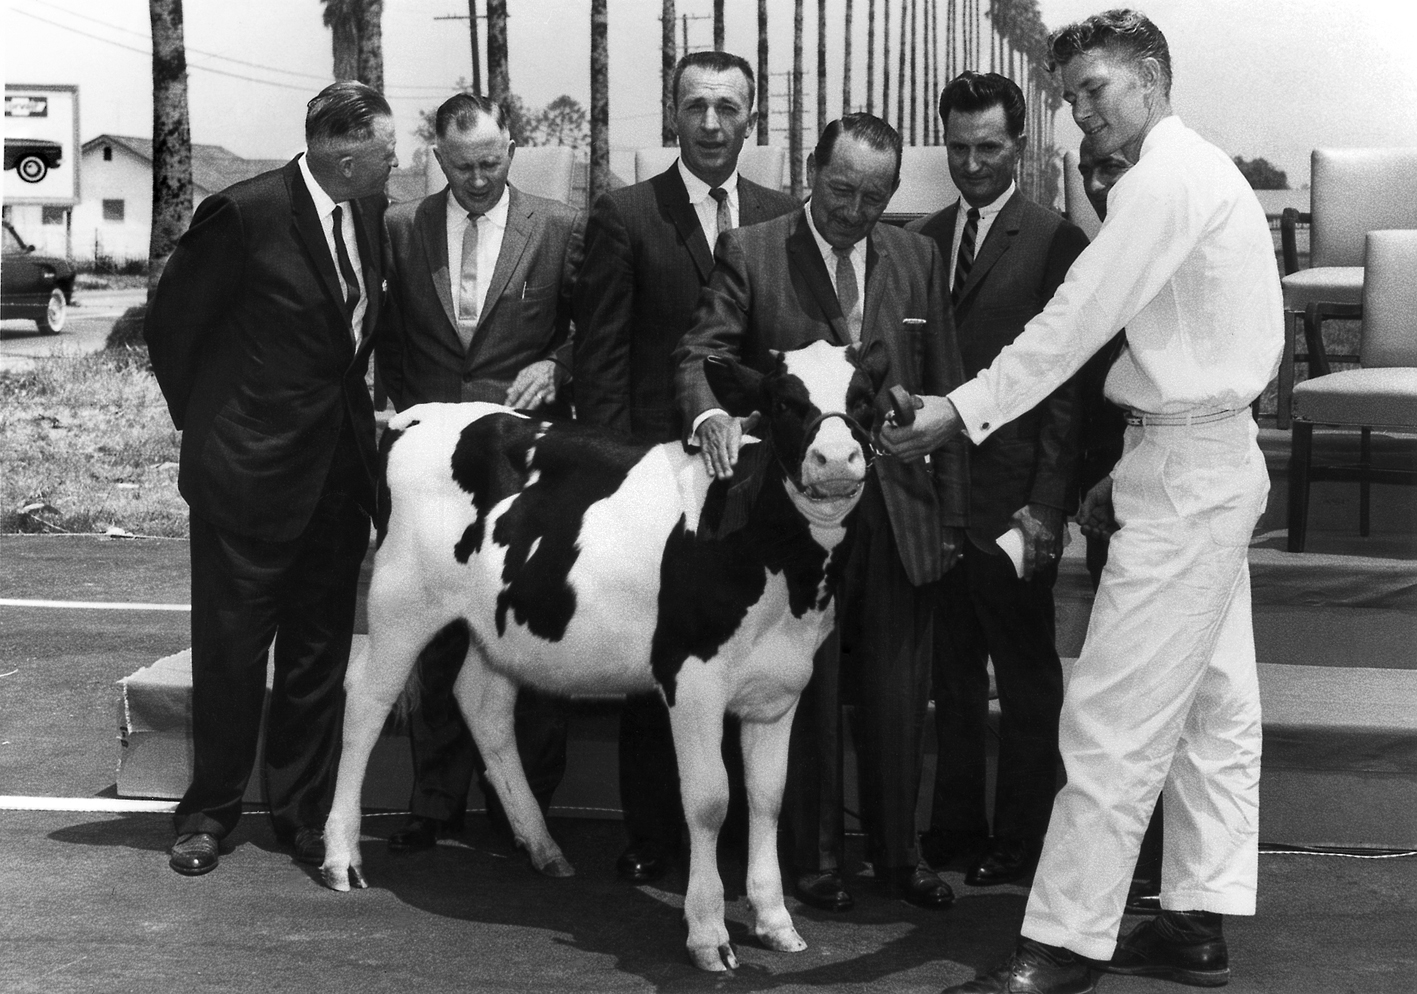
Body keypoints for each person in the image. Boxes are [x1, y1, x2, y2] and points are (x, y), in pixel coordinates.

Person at [880, 11, 1282, 992]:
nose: (1080, 114)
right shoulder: (1189, 173)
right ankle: (1195, 919)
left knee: (1109, 712)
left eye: (1093, 90)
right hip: (1203, 455)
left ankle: (1062, 937)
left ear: (1150, 79)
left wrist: (955, 407)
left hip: (1191, 474)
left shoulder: (1163, 179)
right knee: (1214, 707)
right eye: (1069, 99)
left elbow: (1073, 320)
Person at [673, 112, 967, 910]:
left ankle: (900, 858)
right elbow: (702, 355)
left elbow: (949, 390)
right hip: (791, 523)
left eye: (874, 196)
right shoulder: (753, 250)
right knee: (798, 687)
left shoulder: (916, 256)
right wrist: (709, 419)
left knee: (898, 692)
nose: (853, 210)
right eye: (841, 188)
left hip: (897, 516)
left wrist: (950, 517)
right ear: (811, 170)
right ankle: (813, 861)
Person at [145, 81, 398, 876]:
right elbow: (171, 326)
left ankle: (299, 811)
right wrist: (217, 430)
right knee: (229, 652)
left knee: (317, 655)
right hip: (245, 477)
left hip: (334, 476)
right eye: (388, 148)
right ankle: (209, 816)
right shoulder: (245, 212)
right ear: (343, 148)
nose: (397, 161)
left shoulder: (366, 215)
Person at [572, 50, 800, 883]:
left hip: (754, 489)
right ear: (673, 114)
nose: (711, 123)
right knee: (656, 656)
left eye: (727, 108)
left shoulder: (781, 215)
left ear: (752, 118)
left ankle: (743, 838)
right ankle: (651, 834)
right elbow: (598, 358)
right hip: (650, 483)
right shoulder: (626, 215)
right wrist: (605, 480)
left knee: (749, 657)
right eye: (695, 106)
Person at [377, 93, 583, 852]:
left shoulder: (560, 226)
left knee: (531, 635)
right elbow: (385, 336)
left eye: (490, 162)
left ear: (513, 149)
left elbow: (590, 327)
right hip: (435, 470)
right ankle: (435, 800)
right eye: (460, 165)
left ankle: (522, 805)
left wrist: (555, 365)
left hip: (526, 470)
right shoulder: (400, 228)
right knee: (435, 636)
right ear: (436, 156)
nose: (476, 178)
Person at [907, 71, 1088, 890]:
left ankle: (1021, 836)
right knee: (947, 673)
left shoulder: (1056, 244)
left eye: (989, 147)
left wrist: (1047, 505)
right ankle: (951, 827)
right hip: (933, 503)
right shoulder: (920, 238)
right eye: (957, 146)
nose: (972, 163)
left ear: (1020, 146)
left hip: (1013, 502)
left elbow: (1066, 393)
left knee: (1022, 678)